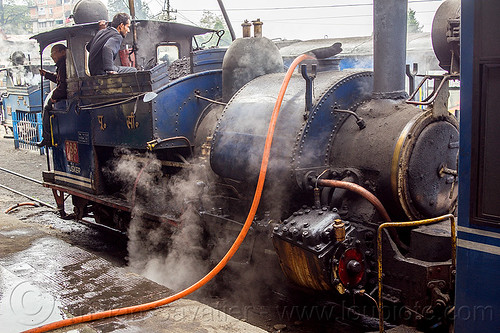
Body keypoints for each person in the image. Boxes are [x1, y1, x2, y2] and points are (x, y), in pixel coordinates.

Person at [37, 44, 67, 147]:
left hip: (65, 96)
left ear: (62, 52)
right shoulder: (62, 64)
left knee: (47, 107)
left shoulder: (63, 65)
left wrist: (54, 96)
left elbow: (63, 86)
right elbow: (59, 80)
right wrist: (47, 74)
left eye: (54, 52)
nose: (52, 56)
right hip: (64, 93)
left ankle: (47, 137)